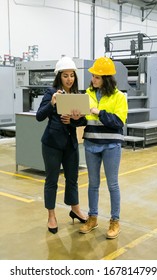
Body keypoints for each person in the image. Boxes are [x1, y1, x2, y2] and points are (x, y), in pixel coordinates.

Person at [36, 56, 87, 234]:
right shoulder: (51, 93)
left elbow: (83, 120)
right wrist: (52, 104)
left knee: (72, 179)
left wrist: (73, 120)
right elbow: (39, 116)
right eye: (65, 75)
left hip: (70, 144)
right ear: (59, 76)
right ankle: (51, 215)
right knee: (52, 181)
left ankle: (75, 209)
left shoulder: (77, 95)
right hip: (52, 144)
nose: (69, 79)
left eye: (71, 75)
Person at [79, 57, 128, 239]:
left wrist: (99, 112)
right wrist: (77, 115)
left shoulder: (119, 97)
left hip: (111, 145)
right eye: (93, 76)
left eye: (97, 77)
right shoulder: (88, 94)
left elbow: (118, 122)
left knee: (112, 184)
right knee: (93, 184)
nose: (93, 79)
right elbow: (84, 119)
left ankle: (115, 221)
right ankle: (92, 218)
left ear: (106, 78)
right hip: (91, 143)